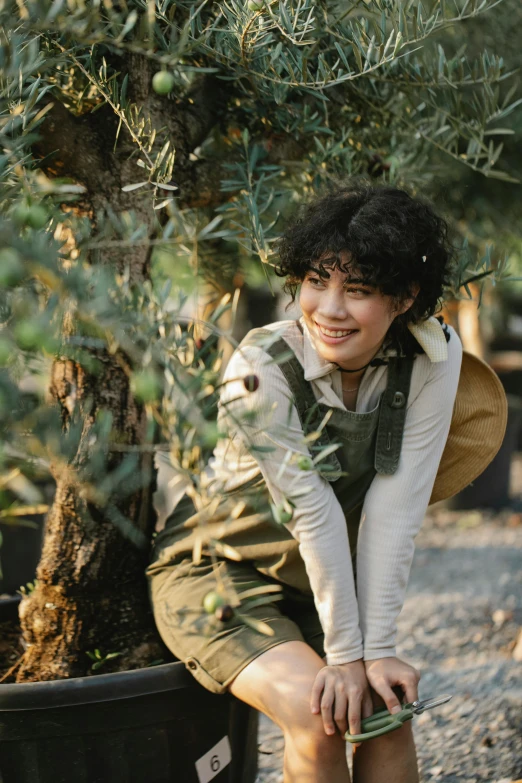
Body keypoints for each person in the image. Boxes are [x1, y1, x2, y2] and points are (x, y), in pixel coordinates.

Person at [147, 181, 464, 783]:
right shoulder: (261, 365)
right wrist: (346, 655)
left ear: (405, 298)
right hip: (218, 573)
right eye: (317, 281)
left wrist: (376, 652)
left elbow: (395, 510)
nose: (329, 308)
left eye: (360, 290)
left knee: (383, 710)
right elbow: (312, 510)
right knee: (318, 711)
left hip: (316, 582)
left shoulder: (435, 356)